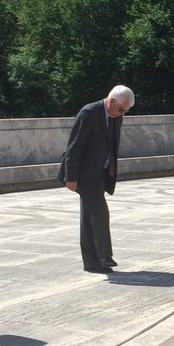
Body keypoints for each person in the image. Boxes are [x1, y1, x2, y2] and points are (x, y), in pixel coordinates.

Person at [58, 85, 135, 273]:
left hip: (100, 174)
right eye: (121, 110)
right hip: (83, 175)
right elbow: (74, 146)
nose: (122, 114)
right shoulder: (89, 113)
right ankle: (104, 256)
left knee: (89, 218)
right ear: (111, 101)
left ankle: (91, 263)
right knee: (100, 212)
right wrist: (71, 177)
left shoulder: (116, 116)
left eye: (126, 111)